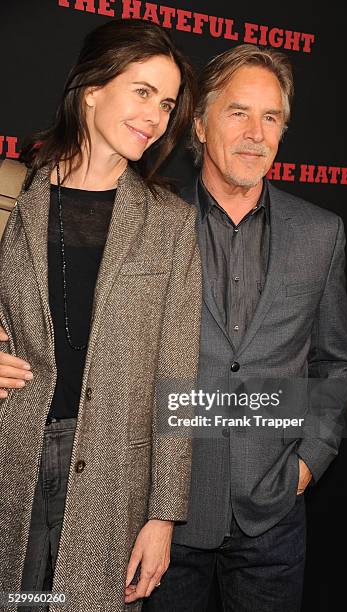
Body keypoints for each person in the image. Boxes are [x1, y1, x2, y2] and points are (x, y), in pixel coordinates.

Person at [142, 44, 347, 611]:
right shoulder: (150, 223)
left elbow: (334, 362)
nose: (255, 134)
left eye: (271, 118)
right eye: (238, 112)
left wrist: (307, 463)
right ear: (199, 124)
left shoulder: (321, 233)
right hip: (166, 518)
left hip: (274, 517)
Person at [0, 19, 201, 611]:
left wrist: (163, 517)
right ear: (92, 89)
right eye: (141, 92)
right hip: (13, 455)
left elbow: (178, 377)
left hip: (112, 482)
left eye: (166, 103)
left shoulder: (170, 224)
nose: (155, 116)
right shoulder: (15, 197)